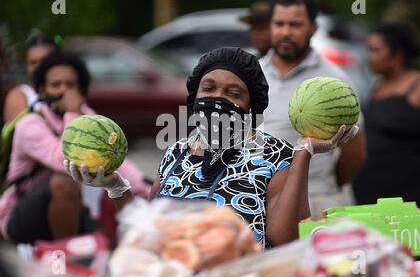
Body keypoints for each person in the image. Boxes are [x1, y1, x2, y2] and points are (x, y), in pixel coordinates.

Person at [64, 47, 358, 248]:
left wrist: (303, 153)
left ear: (250, 106)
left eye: (233, 93)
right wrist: (117, 187)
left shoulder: (276, 155)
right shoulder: (176, 153)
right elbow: (145, 231)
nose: (218, 98)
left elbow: (284, 238)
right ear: (194, 96)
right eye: (209, 88)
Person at [0, 52, 148, 244]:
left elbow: (110, 158)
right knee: (64, 181)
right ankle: (65, 258)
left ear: (81, 91)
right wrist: (72, 113)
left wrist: (144, 187)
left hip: (72, 208)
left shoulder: (86, 116)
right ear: (42, 91)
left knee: (107, 246)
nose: (64, 91)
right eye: (56, 85)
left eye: (71, 85)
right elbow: (68, 161)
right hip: (21, 212)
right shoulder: (30, 124)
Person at [259, 0, 366, 219]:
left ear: (313, 27)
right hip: (262, 196)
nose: (285, 32)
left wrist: (326, 184)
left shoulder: (335, 78)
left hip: (317, 199)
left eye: (295, 24)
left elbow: (354, 152)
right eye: (279, 24)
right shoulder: (253, 73)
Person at [352, 22, 420, 206]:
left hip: (406, 191)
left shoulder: (416, 85)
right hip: (369, 189)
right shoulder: (377, 85)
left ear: (397, 54)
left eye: (376, 51)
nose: (369, 57)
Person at [3, 34, 59, 123]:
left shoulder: (67, 89)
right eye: (33, 62)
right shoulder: (19, 95)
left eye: (44, 61)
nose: (38, 67)